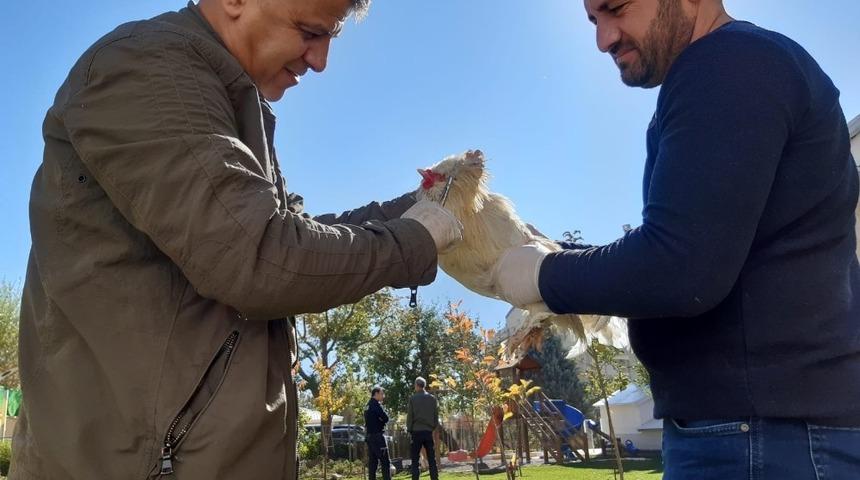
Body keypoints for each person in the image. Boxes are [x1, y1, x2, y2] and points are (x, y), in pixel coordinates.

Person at [12, 0, 463, 479]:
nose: (321, 61)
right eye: (310, 31)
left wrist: (414, 205)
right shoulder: (148, 70)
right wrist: (414, 240)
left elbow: (292, 233)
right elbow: (261, 256)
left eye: (331, 37)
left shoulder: (217, 95)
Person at [492, 0, 860, 478]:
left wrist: (543, 274)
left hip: (762, 440)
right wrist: (562, 257)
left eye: (616, 9)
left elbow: (680, 267)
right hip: (766, 433)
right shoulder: (745, 64)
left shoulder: (727, 64)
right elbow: (689, 246)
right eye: (593, 21)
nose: (604, 39)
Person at [406, 377, 439, 480]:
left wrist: (409, 429)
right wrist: (432, 427)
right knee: (431, 458)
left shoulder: (413, 398)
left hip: (416, 431)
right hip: (428, 431)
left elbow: (410, 416)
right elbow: (435, 416)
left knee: (415, 459)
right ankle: (434, 478)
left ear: (416, 385)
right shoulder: (432, 399)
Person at [364, 386, 392, 480]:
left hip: (370, 437)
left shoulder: (367, 406)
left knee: (373, 463)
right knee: (385, 462)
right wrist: (381, 421)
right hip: (378, 437)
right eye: (381, 394)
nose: (383, 396)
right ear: (376, 394)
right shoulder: (376, 405)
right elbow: (385, 418)